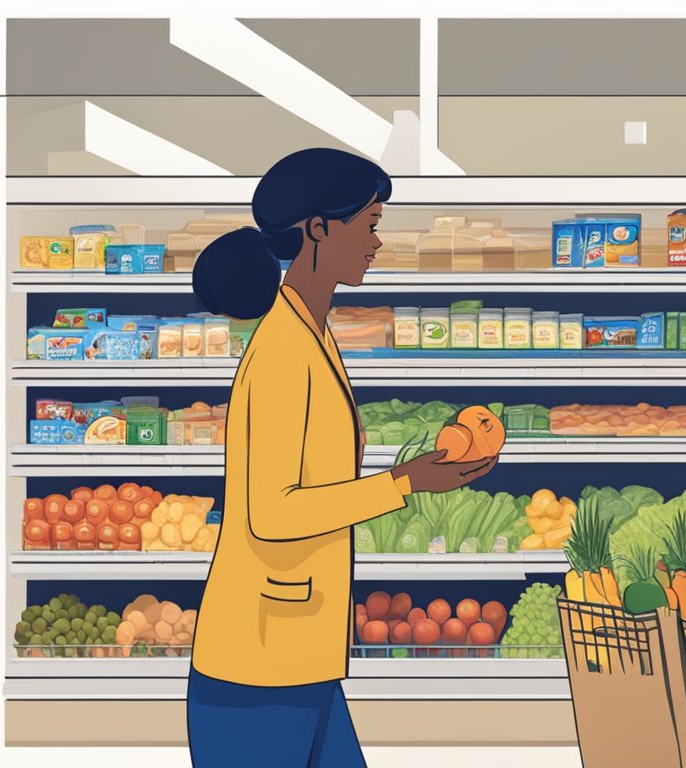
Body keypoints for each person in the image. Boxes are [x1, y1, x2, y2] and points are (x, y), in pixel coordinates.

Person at [185, 148, 497, 767]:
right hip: (258, 668)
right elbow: (271, 515)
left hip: (301, 654)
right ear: (319, 229)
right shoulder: (281, 353)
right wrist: (403, 483)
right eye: (371, 224)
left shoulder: (312, 331)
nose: (378, 242)